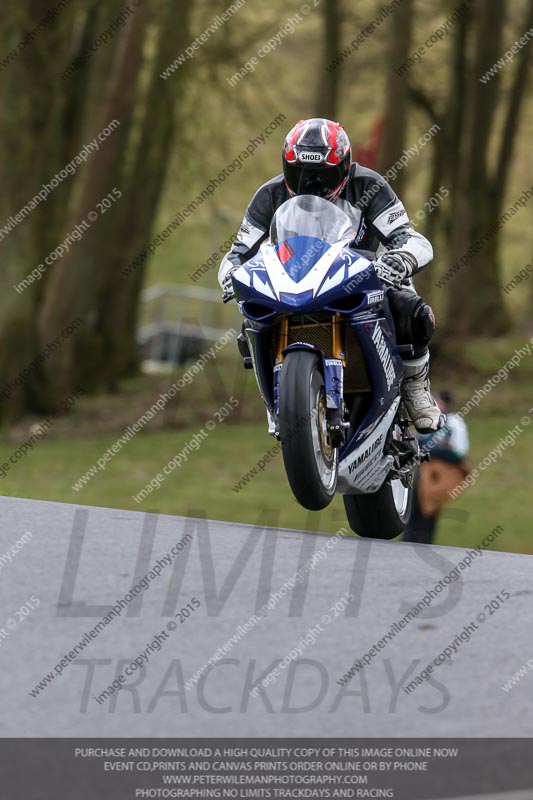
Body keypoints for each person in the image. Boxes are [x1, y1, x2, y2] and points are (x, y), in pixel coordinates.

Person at [218, 117, 443, 433]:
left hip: (364, 275)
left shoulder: (370, 186)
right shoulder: (269, 195)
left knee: (413, 313)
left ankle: (415, 388)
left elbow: (410, 237)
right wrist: (231, 276)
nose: (312, 184)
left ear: (346, 167)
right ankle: (277, 398)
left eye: (323, 175)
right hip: (294, 279)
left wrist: (401, 259)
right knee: (251, 324)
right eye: (301, 174)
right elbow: (237, 253)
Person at [404, 390, 470, 544]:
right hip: (424, 471)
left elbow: (459, 452)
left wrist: (431, 448)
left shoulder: (453, 422)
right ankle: (409, 542)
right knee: (413, 508)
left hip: (440, 473)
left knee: (429, 509)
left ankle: (423, 542)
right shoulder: (429, 420)